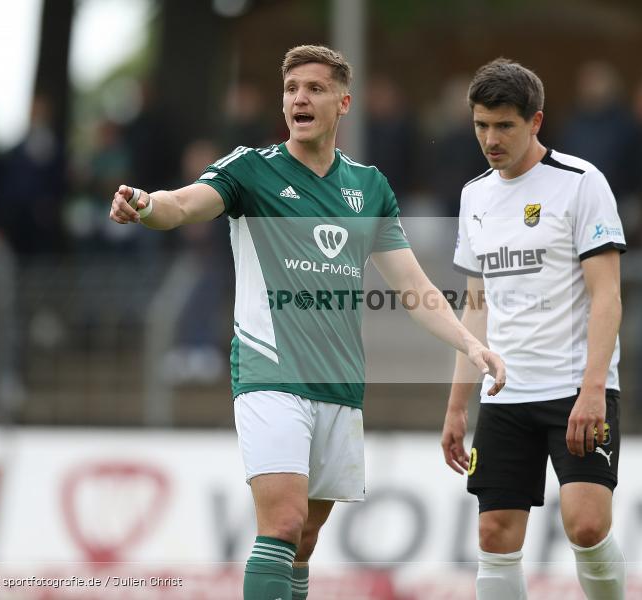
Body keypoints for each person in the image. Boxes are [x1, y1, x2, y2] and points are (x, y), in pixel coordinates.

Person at [109, 45, 505, 600]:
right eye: (292, 88)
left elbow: (414, 289)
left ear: (344, 103)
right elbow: (184, 205)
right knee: (285, 522)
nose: (300, 97)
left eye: (315, 88)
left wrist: (471, 343)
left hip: (340, 385)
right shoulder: (251, 169)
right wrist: (148, 205)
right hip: (270, 377)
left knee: (306, 539)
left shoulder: (368, 188)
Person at [441, 59, 626, 599]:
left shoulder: (581, 182)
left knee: (587, 524)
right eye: (481, 125)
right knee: (494, 534)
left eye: (504, 126)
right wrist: (456, 405)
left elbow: (607, 295)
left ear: (536, 121)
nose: (490, 139)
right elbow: (475, 307)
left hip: (575, 389)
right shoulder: (474, 195)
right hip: (504, 395)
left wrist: (594, 389)